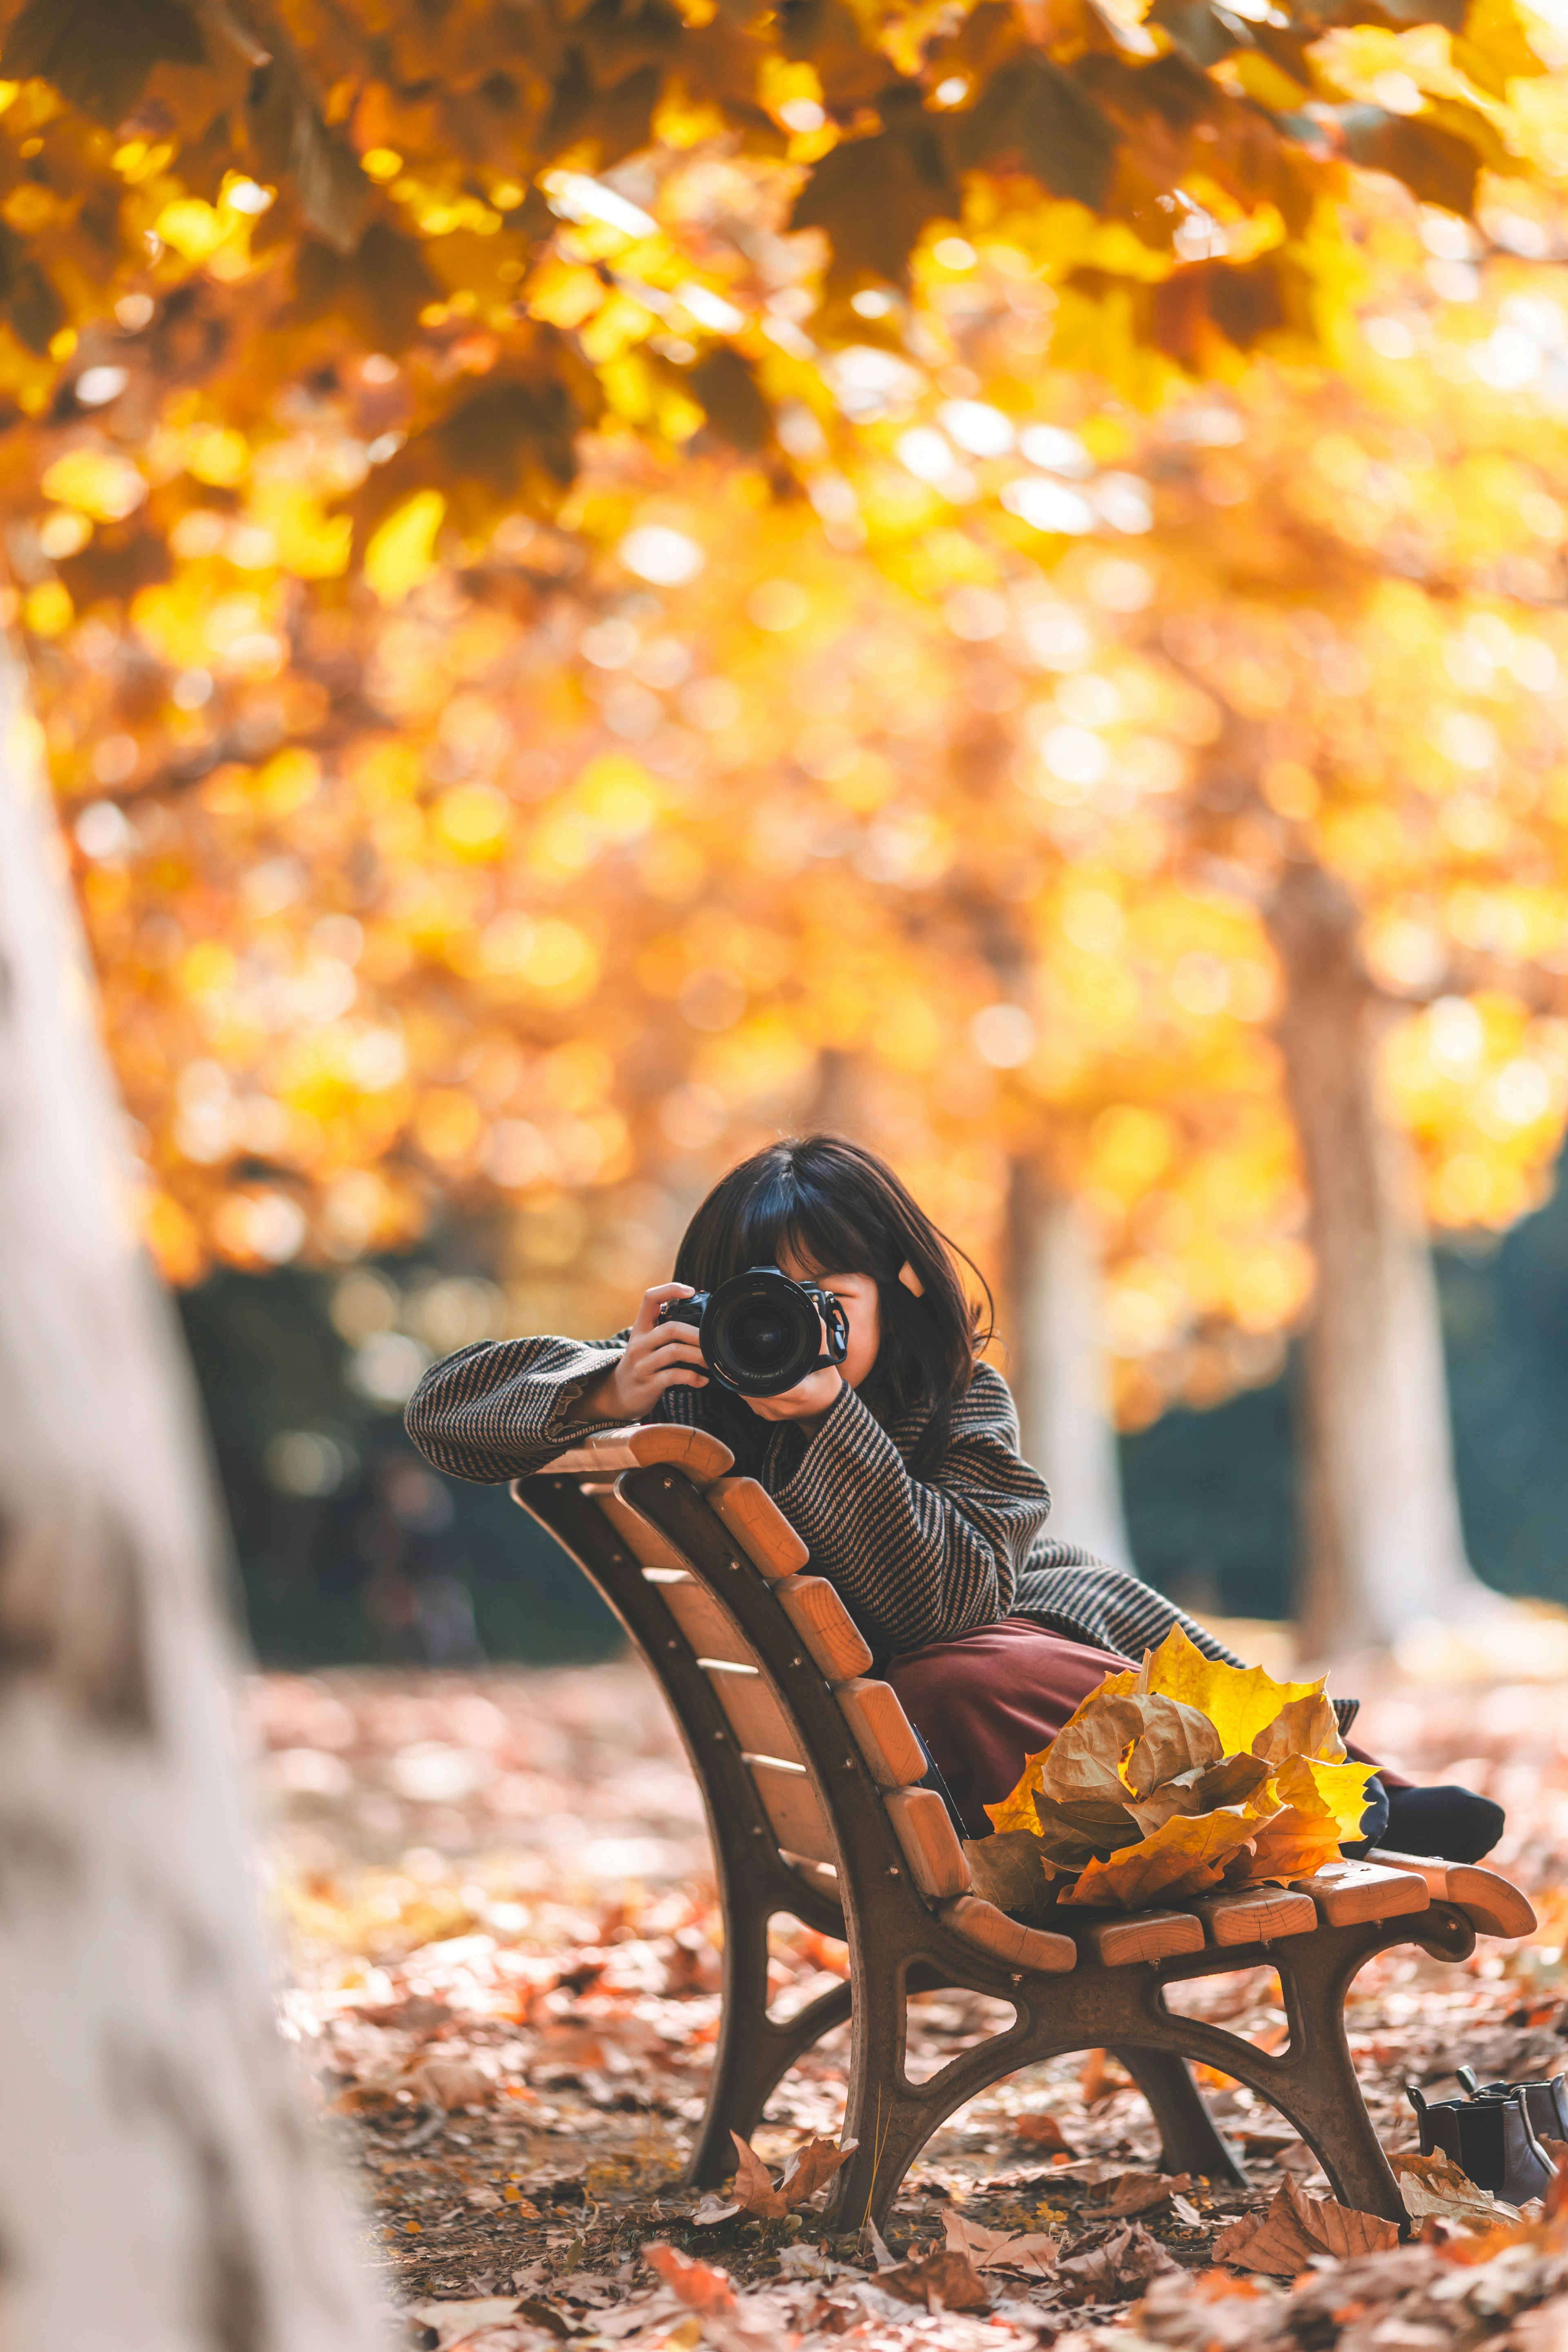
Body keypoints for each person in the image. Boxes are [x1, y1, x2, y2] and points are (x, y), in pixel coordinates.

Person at [405, 1135, 1503, 1867]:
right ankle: (1326, 1797)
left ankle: (1351, 1789)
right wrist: (604, 1384)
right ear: (710, 1303)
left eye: (829, 1300)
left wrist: (832, 1414)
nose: (789, 1328)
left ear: (899, 1291)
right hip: (885, 1741)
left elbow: (959, 1590)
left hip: (956, 1699)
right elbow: (440, 1415)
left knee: (1023, 1650)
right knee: (983, 1673)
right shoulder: (691, 1382)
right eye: (762, 1302)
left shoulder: (959, 1398)